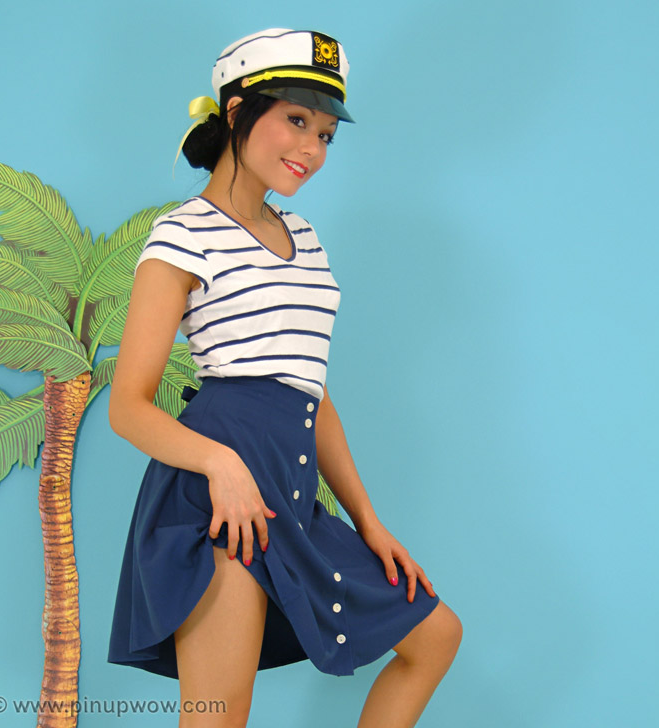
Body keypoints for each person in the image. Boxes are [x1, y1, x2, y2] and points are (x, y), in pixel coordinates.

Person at [107, 27, 462, 728]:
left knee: (435, 636)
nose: (312, 149)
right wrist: (221, 466)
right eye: (296, 120)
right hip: (218, 503)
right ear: (238, 111)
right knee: (219, 716)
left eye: (326, 134)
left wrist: (367, 520)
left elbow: (309, 391)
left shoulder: (304, 238)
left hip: (290, 495)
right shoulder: (182, 234)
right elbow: (128, 407)